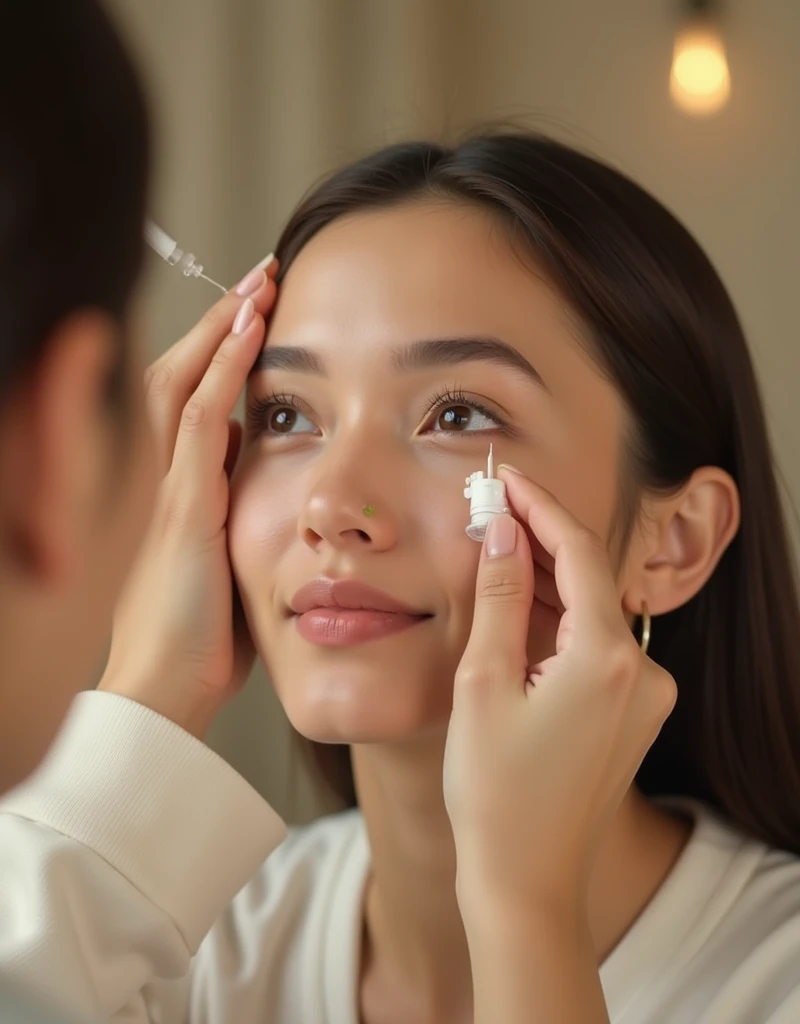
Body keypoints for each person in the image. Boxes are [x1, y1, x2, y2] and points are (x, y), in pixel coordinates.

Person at [3, 67, 800, 1021]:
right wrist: (149, 689)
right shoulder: (169, 950)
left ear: (673, 542)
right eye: (287, 414)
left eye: (457, 412)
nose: (334, 504)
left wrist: (522, 916)